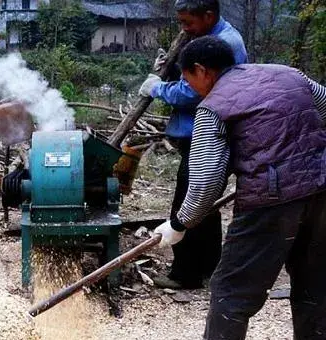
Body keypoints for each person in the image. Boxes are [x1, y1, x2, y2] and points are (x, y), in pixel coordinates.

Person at [154, 35, 326, 339]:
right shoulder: (289, 74)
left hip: (269, 202)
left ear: (201, 70)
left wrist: (180, 223)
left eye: (187, 78)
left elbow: (206, 182)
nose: (190, 86)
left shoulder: (213, 108)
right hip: (320, 190)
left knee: (230, 291)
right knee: (315, 286)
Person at [137, 0, 248, 289]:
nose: (184, 28)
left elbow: (193, 92)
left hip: (210, 137)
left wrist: (158, 88)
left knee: (188, 200)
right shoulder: (205, 38)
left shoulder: (226, 43)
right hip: (195, 134)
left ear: (209, 15)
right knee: (207, 206)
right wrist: (172, 67)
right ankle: (209, 268)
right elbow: (189, 78)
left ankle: (185, 273)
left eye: (189, 22)